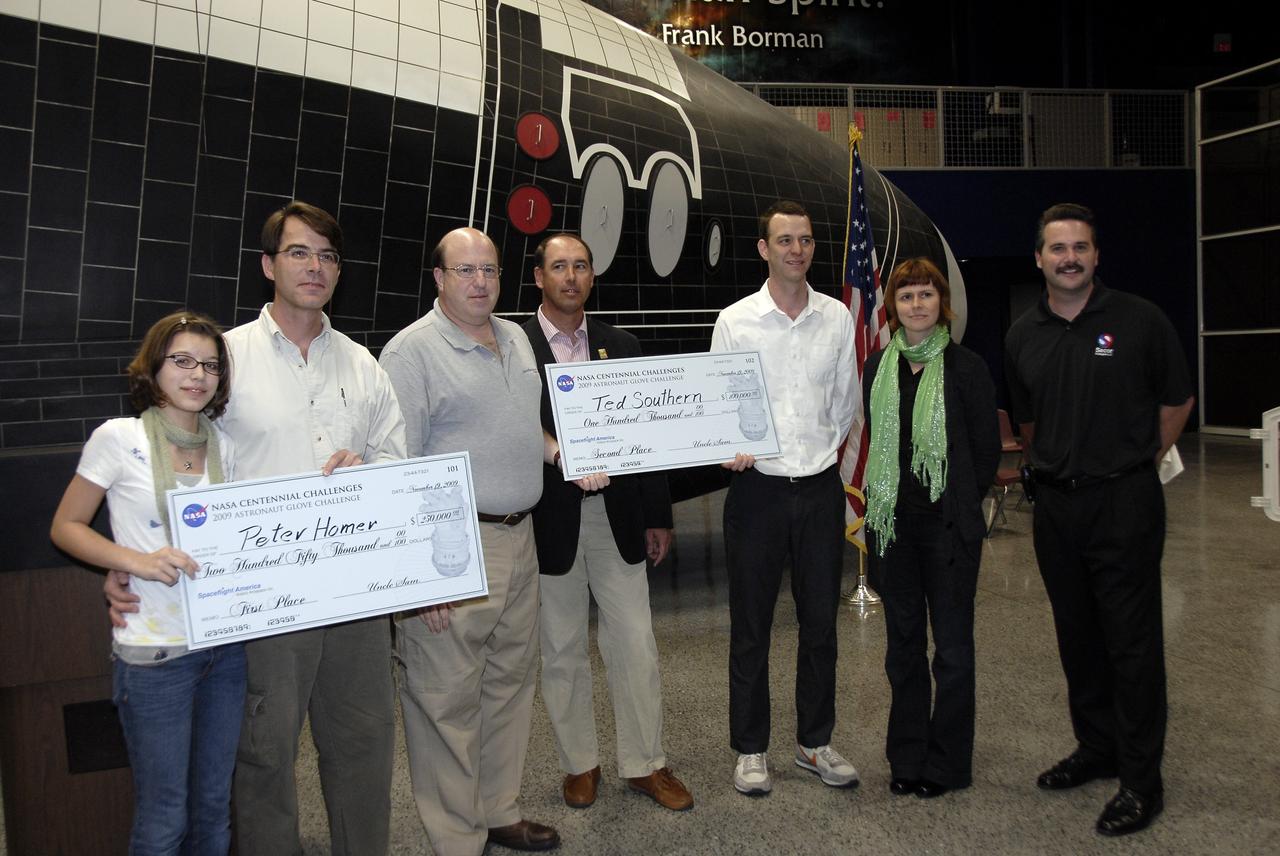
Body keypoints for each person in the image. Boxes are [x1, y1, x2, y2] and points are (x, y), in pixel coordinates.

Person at [107, 201, 407, 856]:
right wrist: (128, 553)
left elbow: (398, 462)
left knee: (363, 746)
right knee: (264, 757)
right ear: (269, 265)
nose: (316, 266)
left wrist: (371, 467)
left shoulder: (363, 364)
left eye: (328, 256)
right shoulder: (224, 361)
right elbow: (169, 461)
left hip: (356, 590)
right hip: (266, 598)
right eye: (300, 252)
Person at [380, 227, 607, 855]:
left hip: (520, 537)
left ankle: (497, 810)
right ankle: (457, 838)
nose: (479, 282)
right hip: (451, 547)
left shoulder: (514, 339)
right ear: (439, 279)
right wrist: (419, 577)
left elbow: (516, 430)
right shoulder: (411, 354)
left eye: (489, 270)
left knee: (509, 682)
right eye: (464, 271)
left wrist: (561, 452)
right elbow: (395, 466)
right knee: (443, 698)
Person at [1005, 203, 1193, 837]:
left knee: (1132, 644)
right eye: (1058, 249)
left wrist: (1137, 461)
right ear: (1039, 259)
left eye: (1080, 247)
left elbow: (1177, 399)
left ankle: (1142, 781)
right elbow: (1028, 422)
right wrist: (1061, 463)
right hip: (1057, 507)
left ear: (1096, 255)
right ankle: (1098, 748)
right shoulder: (1022, 333)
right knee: (1078, 638)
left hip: (1125, 504)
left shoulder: (1140, 320)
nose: (1070, 258)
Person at [52, 311, 243, 855]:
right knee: (164, 817)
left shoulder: (225, 446)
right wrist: (133, 561)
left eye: (209, 365)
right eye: (182, 361)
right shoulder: (118, 438)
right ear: (155, 368)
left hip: (223, 650)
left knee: (213, 808)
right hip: (156, 655)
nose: (197, 375)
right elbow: (65, 527)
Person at [522, 233, 693, 812]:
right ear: (539, 277)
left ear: (592, 277)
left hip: (617, 516)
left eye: (581, 266)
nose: (571, 276)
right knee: (562, 648)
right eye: (559, 267)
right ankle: (580, 764)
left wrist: (658, 515)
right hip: (549, 521)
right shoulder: (514, 348)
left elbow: (646, 437)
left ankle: (646, 764)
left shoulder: (621, 345)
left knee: (636, 644)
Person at [711, 200, 860, 796]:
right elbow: (720, 400)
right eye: (784, 240)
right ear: (763, 250)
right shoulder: (735, 321)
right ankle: (750, 749)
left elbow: (846, 401)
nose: (796, 249)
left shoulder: (838, 318)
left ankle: (813, 741)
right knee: (751, 624)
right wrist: (732, 444)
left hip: (820, 488)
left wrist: (821, 452)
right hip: (757, 493)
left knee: (821, 621)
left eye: (805, 239)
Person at [862, 258, 1000, 799]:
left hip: (948, 533)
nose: (916, 305)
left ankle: (948, 762)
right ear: (892, 309)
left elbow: (986, 452)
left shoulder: (966, 368)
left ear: (942, 303)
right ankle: (908, 756)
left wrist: (960, 504)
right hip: (894, 529)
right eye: (906, 297)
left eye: (926, 295)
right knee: (902, 649)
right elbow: (876, 442)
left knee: (952, 652)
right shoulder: (877, 368)